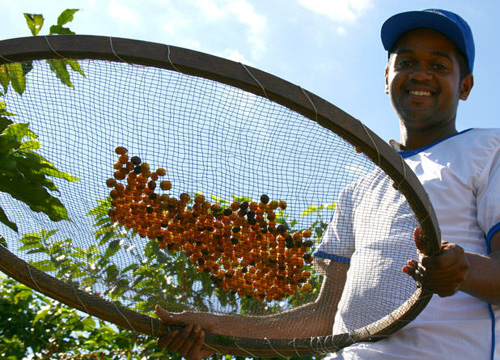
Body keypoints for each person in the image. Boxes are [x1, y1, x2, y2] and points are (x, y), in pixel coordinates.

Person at [155, 9, 500, 359]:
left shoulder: (487, 150)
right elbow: (326, 315)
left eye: (439, 66)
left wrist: (463, 269)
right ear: (387, 77)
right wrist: (220, 330)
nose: (420, 73)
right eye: (406, 62)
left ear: (465, 85)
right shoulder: (358, 191)